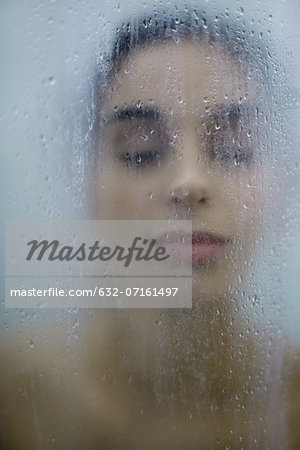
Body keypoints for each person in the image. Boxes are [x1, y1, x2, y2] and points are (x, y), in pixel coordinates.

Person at [0, 7, 299, 450]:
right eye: (141, 150)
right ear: (86, 184)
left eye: (235, 148)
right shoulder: (14, 387)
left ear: (283, 185)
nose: (189, 182)